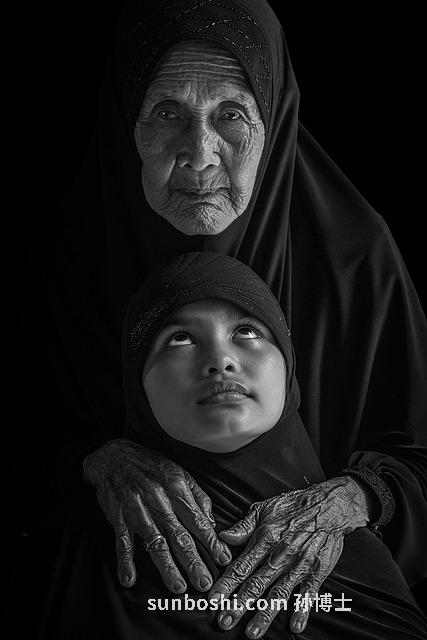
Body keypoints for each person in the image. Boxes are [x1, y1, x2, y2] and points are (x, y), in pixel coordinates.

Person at [12, 0, 427, 633]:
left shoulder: (352, 258)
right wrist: (96, 460)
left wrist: (352, 500)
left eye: (231, 115)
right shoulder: (65, 256)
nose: (201, 155)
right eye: (166, 113)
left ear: (273, 122)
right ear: (126, 123)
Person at [45, 251, 427, 639]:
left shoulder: (358, 555)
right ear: (137, 385)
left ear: (288, 366)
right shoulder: (83, 556)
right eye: (180, 338)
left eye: (246, 331)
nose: (220, 360)